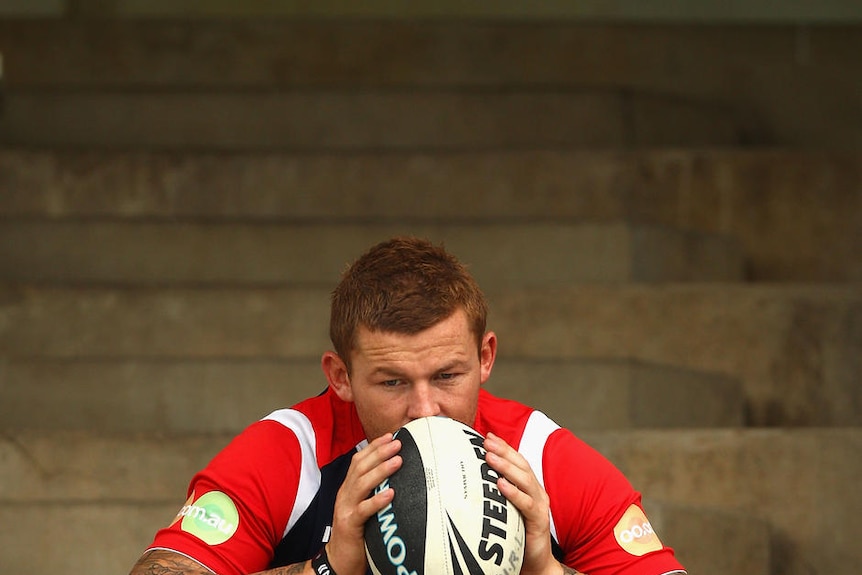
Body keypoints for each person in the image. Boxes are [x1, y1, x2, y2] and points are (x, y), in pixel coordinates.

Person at [129, 236, 686, 575]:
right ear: (340, 376)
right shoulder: (292, 449)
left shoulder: (537, 454)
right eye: (392, 382)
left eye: (447, 375)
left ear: (486, 358)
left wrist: (543, 568)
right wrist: (329, 567)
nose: (425, 409)